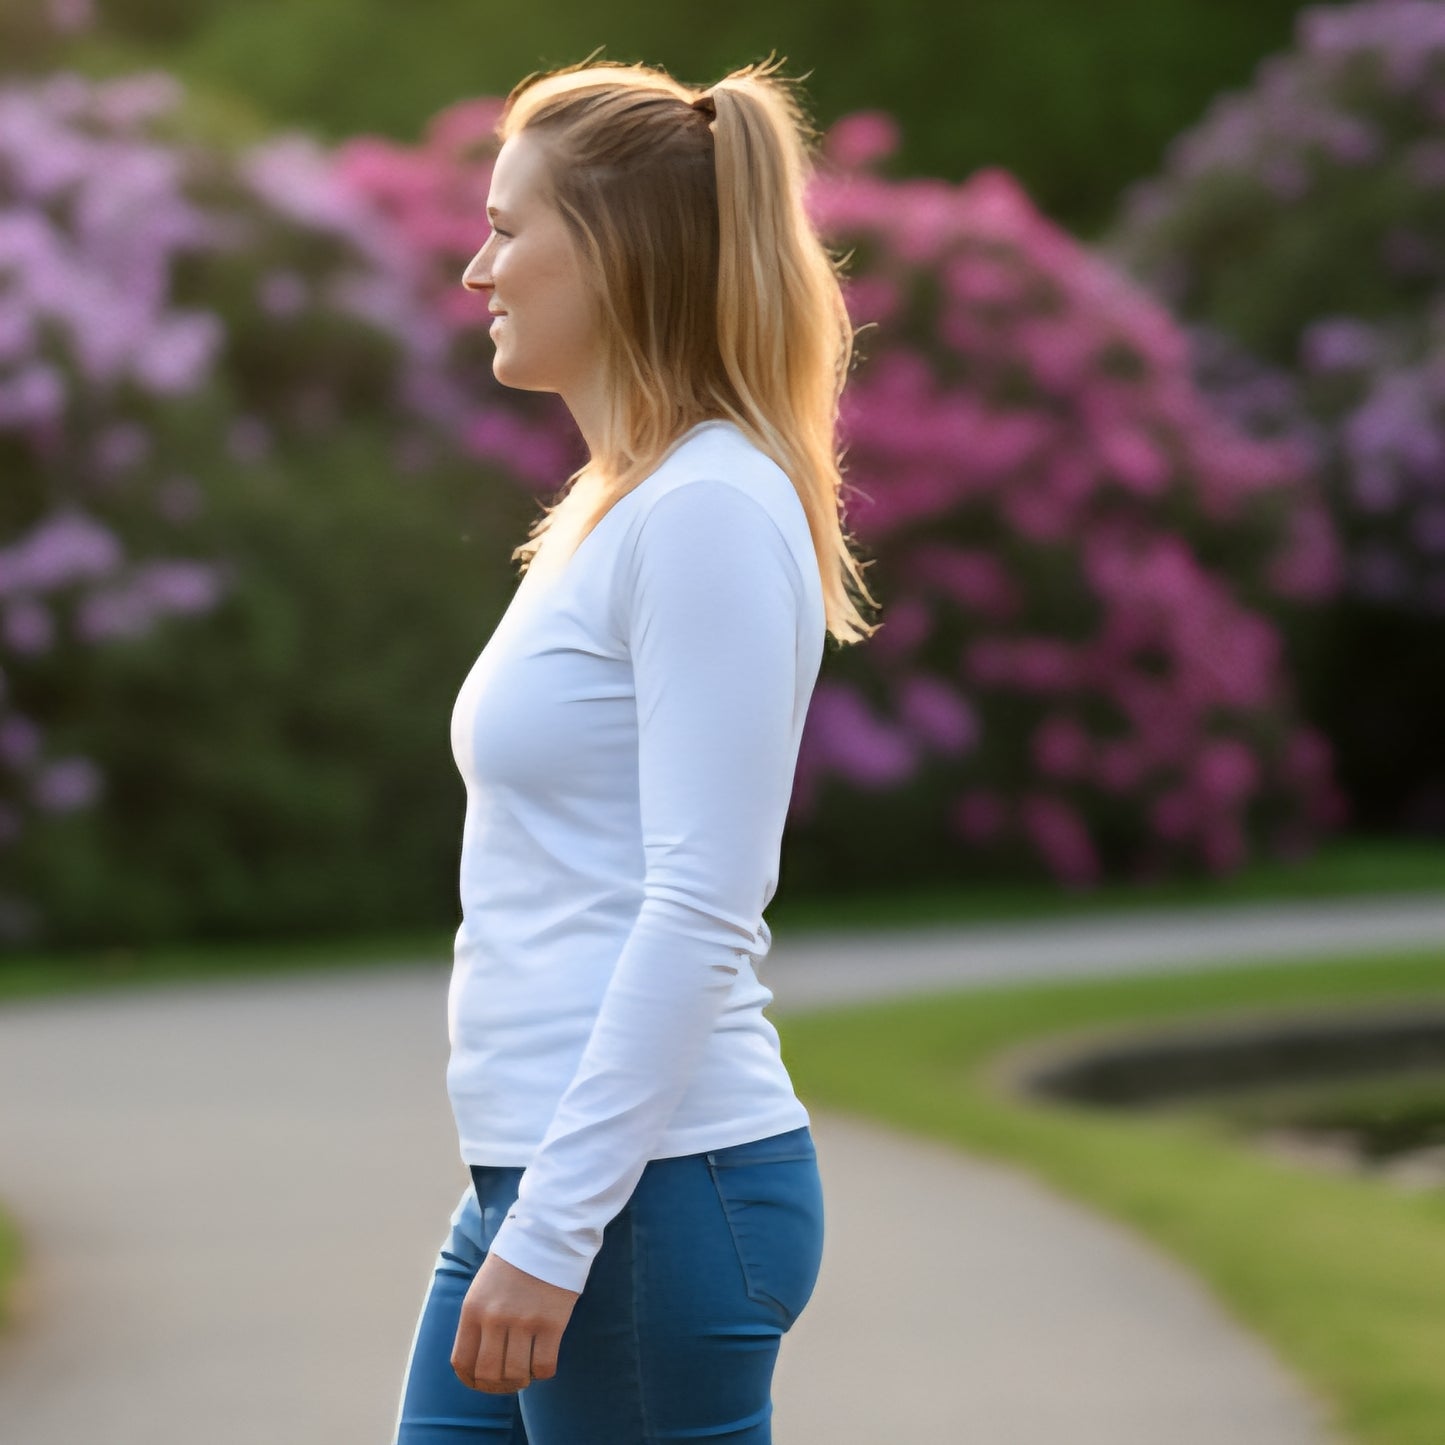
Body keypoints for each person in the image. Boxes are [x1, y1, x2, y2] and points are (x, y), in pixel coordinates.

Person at [391, 51, 881, 1445]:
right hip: (550, 1183)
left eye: (506, 229)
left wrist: (556, 1229)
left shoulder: (707, 509)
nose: (475, 270)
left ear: (613, 252)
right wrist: (530, 1209)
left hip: (649, 1201)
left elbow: (703, 900)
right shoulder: (618, 504)